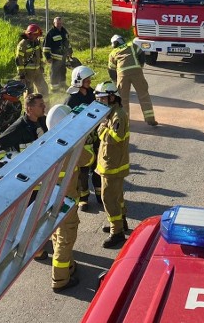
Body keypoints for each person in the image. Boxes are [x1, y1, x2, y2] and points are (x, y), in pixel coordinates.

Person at [45, 103, 94, 293]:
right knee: (66, 237)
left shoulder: (46, 142)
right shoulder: (70, 146)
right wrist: (83, 140)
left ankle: (68, 266)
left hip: (51, 200)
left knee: (57, 234)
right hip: (66, 200)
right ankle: (60, 278)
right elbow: (88, 159)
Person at [94, 82, 130, 248]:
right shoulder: (112, 113)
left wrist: (102, 128)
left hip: (113, 165)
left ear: (112, 97)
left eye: (102, 99)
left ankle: (117, 233)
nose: (100, 102)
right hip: (110, 162)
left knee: (108, 198)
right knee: (117, 196)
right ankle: (120, 222)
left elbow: (115, 138)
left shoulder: (118, 116)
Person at [65, 65, 99, 210]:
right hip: (82, 139)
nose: (90, 81)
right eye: (87, 79)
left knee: (98, 168)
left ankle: (100, 195)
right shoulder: (71, 99)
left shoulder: (93, 94)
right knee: (83, 170)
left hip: (96, 135)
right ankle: (84, 198)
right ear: (79, 81)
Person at [108, 34, 158, 126]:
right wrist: (140, 67)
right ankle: (150, 119)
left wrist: (115, 82)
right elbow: (141, 55)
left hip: (122, 75)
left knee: (123, 99)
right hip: (136, 72)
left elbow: (111, 70)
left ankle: (124, 122)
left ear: (113, 44)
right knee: (143, 95)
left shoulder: (113, 53)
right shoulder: (132, 45)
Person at [0, 93, 48, 169]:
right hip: (26, 170)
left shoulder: (44, 121)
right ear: (30, 109)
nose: (44, 107)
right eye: (41, 105)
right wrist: (10, 167)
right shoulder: (19, 127)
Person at [15, 24, 48, 96]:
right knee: (29, 93)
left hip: (38, 72)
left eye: (37, 36)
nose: (37, 37)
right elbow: (19, 60)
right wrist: (22, 76)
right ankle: (29, 107)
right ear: (30, 34)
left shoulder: (36, 42)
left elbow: (39, 55)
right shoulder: (22, 45)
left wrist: (41, 67)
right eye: (36, 35)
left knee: (44, 89)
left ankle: (45, 105)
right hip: (27, 74)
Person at [43, 17, 72, 93]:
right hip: (55, 58)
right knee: (54, 73)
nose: (59, 25)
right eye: (57, 23)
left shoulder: (64, 31)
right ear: (54, 23)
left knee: (63, 71)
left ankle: (63, 84)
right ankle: (54, 88)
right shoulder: (51, 33)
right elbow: (46, 47)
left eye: (60, 23)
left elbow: (67, 43)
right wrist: (48, 57)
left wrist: (70, 51)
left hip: (63, 57)